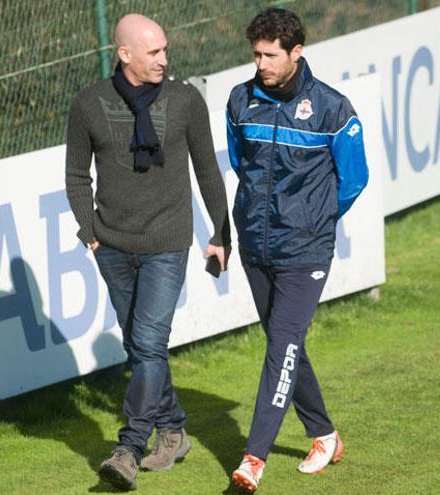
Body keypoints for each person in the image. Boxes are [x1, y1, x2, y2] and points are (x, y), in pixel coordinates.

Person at [65, 13, 231, 491]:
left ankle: (129, 448)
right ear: (125, 55)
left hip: (167, 242)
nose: (164, 59)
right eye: (154, 52)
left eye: (164, 49)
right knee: (140, 347)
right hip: (112, 245)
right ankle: (174, 428)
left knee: (150, 343)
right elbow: (77, 175)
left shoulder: (185, 100)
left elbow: (207, 171)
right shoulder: (89, 105)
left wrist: (221, 233)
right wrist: (90, 232)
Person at [225, 7, 369, 492]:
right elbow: (241, 162)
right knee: (285, 346)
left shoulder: (333, 108)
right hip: (255, 246)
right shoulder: (239, 101)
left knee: (281, 348)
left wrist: (315, 220)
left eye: (270, 55)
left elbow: (354, 179)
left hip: (305, 252)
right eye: (256, 54)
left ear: (296, 52)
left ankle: (254, 458)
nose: (261, 63)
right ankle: (324, 435)